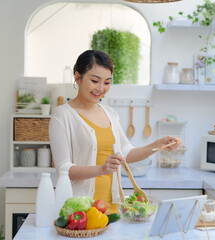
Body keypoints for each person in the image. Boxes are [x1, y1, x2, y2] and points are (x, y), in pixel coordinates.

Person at [49, 50, 181, 214]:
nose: (101, 88)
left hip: (113, 210)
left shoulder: (110, 113)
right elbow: (64, 170)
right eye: (95, 80)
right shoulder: (62, 115)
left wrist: (157, 144)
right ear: (77, 77)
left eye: (107, 82)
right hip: (81, 212)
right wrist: (102, 169)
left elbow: (127, 153)